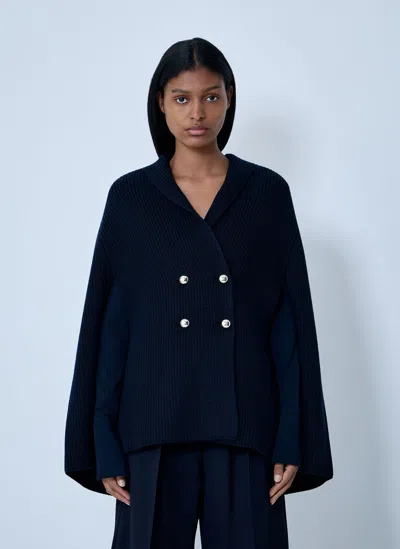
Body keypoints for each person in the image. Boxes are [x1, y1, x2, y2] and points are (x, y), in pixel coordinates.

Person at [64, 37, 334, 549]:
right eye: (182, 98)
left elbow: (289, 325)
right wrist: (103, 438)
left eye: (211, 96)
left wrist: (291, 435)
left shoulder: (267, 193)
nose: (197, 113)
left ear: (229, 98)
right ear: (160, 102)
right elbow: (110, 327)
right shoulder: (131, 197)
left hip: (247, 424)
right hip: (151, 425)